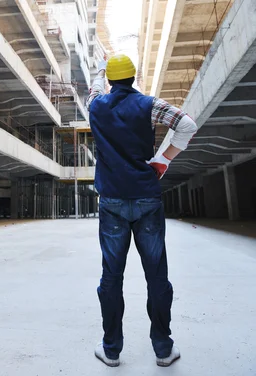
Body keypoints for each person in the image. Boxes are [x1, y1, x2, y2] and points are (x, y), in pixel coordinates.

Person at [87, 54, 197, 368]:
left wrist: (99, 67)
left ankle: (111, 350)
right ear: (134, 77)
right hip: (147, 199)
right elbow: (187, 125)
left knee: (111, 277)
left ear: (110, 79)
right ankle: (163, 349)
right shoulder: (149, 105)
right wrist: (164, 159)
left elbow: (94, 89)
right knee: (157, 277)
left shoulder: (97, 104)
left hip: (112, 202)